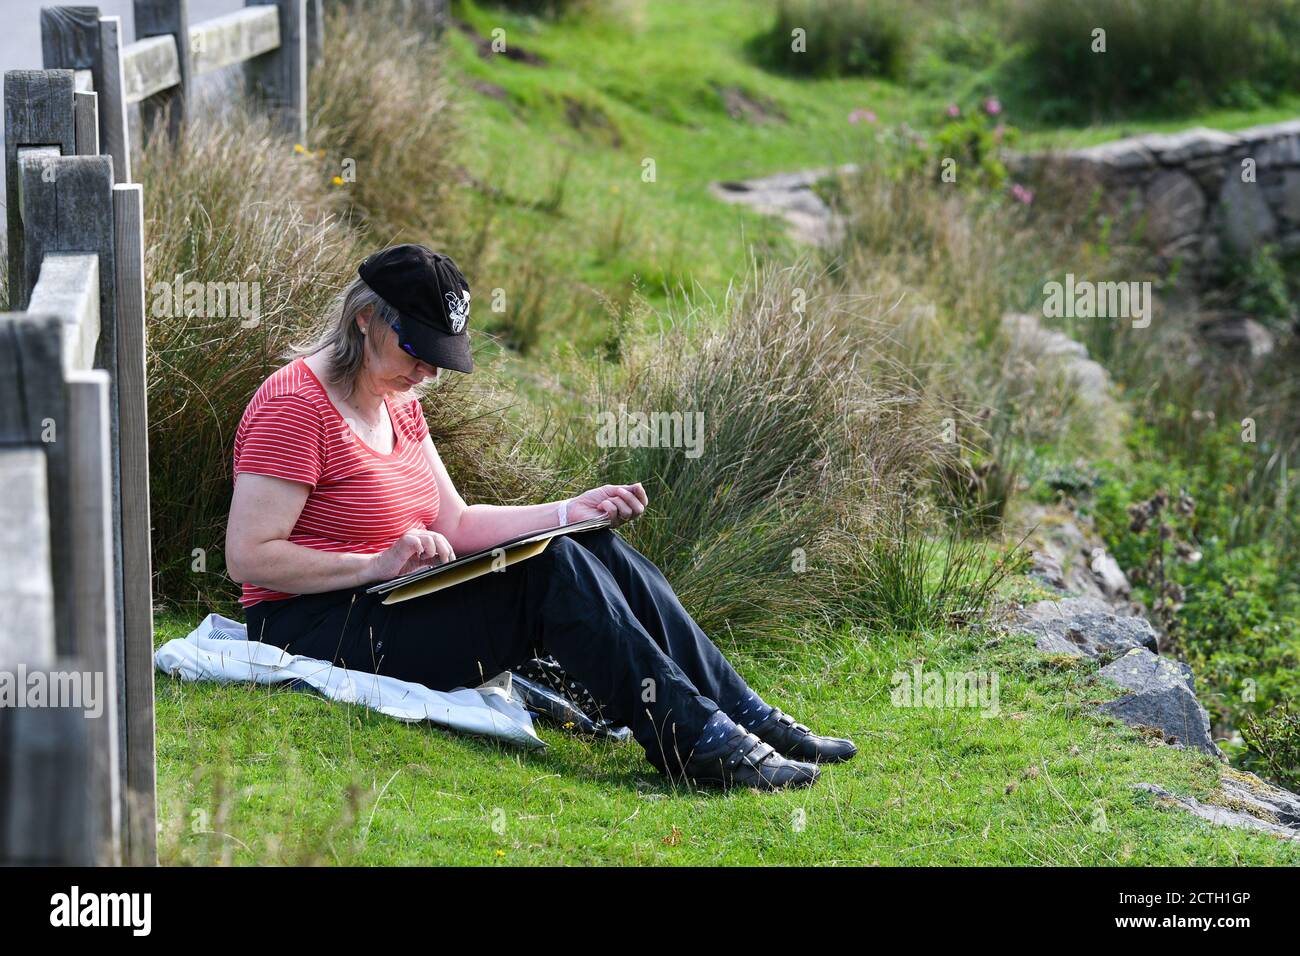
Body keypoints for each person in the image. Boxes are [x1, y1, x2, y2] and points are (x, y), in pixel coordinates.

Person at [225, 244, 856, 791]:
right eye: (417, 349)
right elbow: (249, 558)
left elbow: (456, 522)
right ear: (366, 320)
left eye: (440, 358)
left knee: (589, 545)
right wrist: (377, 562)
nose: (426, 372)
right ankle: (693, 741)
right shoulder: (295, 407)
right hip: (313, 624)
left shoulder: (396, 397)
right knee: (547, 570)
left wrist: (568, 511)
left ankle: (741, 711)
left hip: (392, 599)